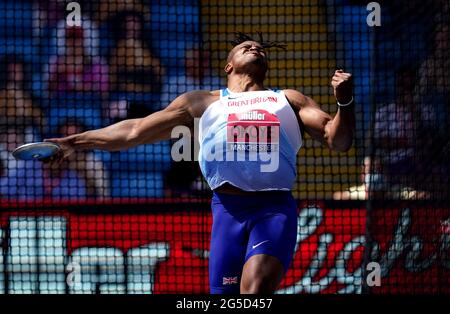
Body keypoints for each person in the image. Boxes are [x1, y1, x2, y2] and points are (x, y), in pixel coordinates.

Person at [44, 33, 355, 294]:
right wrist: (74, 141)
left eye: (259, 47)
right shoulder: (202, 102)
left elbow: (337, 140)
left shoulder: (288, 99)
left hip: (272, 211)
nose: (254, 47)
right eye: (245, 45)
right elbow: (134, 130)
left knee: (254, 292)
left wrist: (344, 102)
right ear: (229, 65)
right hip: (226, 214)